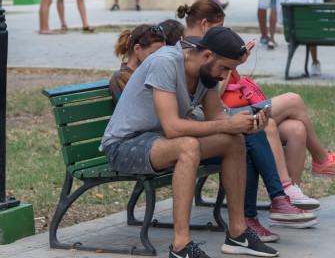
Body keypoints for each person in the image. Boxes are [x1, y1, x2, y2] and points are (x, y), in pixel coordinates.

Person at [101, 26, 281, 258]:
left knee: (234, 140)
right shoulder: (165, 62)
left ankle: (238, 233)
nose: (225, 76)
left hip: (159, 142)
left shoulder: (208, 71)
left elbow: (217, 116)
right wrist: (226, 125)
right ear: (207, 55)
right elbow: (173, 128)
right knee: (188, 146)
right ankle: (181, 246)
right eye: (225, 68)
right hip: (124, 145)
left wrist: (245, 125)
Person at [179, 0, 319, 235]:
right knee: (260, 125)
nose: (221, 31)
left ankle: (282, 202)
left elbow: (214, 102)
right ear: (204, 25)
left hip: (216, 117)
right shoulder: (188, 54)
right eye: (218, 26)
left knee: (289, 128)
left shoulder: (206, 54)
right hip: (194, 127)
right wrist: (230, 69)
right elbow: (207, 102)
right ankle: (275, 199)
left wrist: (232, 64)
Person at [276, 0, 323, 75]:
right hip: (311, 33)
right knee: (312, 28)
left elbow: (281, 19)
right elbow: (320, 16)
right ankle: (315, 63)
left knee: (309, 28)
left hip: (291, 33)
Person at [109, 24, 166, 104]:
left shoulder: (153, 72)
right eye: (153, 54)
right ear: (137, 49)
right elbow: (129, 111)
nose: (159, 59)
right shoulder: (120, 78)